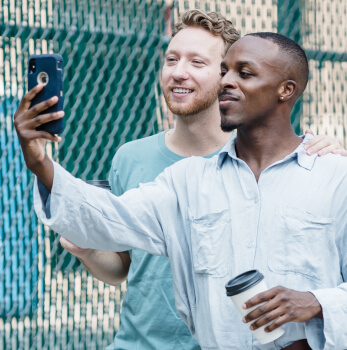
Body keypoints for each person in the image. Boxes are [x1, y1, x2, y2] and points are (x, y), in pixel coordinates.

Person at [14, 31, 347, 350]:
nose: (226, 82)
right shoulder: (186, 182)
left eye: (244, 73)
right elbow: (108, 219)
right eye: (223, 71)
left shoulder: (335, 178)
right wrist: (37, 158)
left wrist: (318, 302)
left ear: (285, 90)